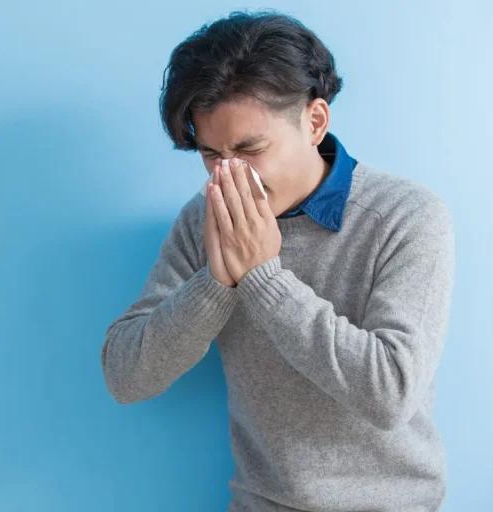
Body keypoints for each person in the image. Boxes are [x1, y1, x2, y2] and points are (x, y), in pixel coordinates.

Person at [100, 9, 455, 512]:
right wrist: (215, 283)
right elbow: (126, 375)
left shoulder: (406, 216)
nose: (230, 176)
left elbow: (390, 391)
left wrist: (263, 279)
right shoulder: (203, 219)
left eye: (250, 149)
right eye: (211, 155)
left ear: (314, 122)